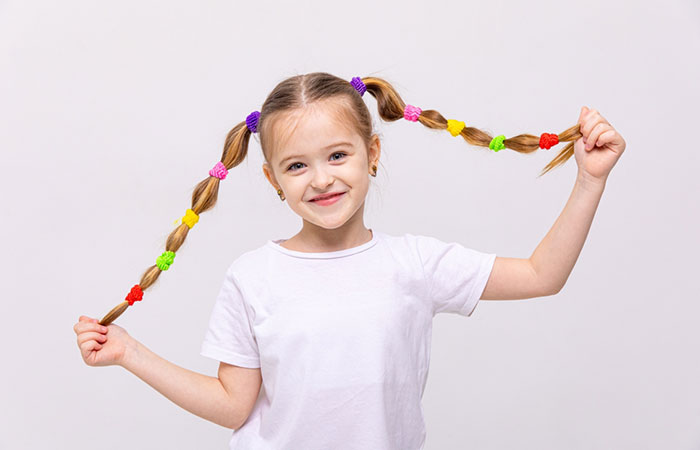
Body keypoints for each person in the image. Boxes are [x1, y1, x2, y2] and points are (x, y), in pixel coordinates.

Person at [73, 72, 626, 449]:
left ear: (372, 154)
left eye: (338, 155)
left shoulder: (414, 263)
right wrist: (129, 353)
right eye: (296, 166)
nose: (321, 179)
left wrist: (588, 181)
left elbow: (540, 275)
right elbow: (233, 407)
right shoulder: (253, 277)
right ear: (272, 180)